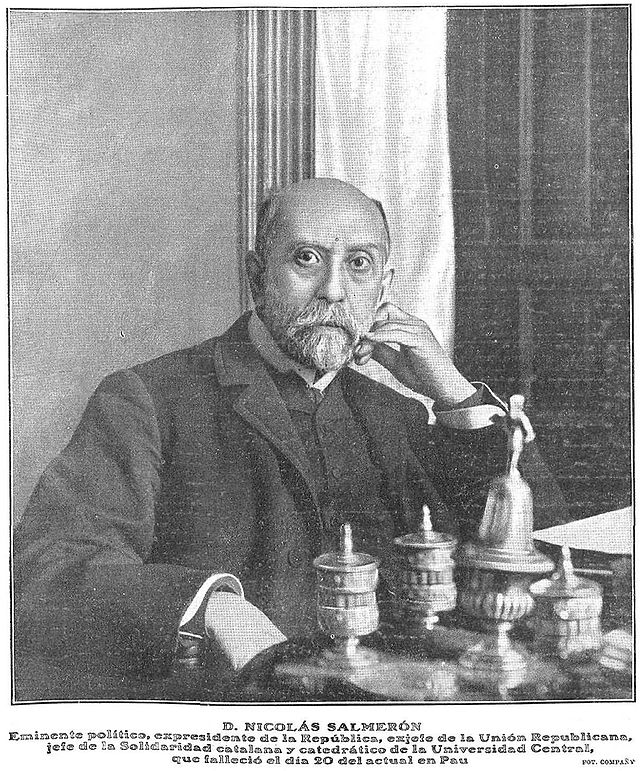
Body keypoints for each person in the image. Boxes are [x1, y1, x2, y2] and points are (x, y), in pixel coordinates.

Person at [14, 178, 548, 693]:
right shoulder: (149, 399)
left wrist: (456, 396)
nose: (334, 291)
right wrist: (214, 606)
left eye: (359, 264)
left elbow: (535, 551)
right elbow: (47, 566)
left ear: (384, 288)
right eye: (306, 259)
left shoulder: (396, 414)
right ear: (256, 275)